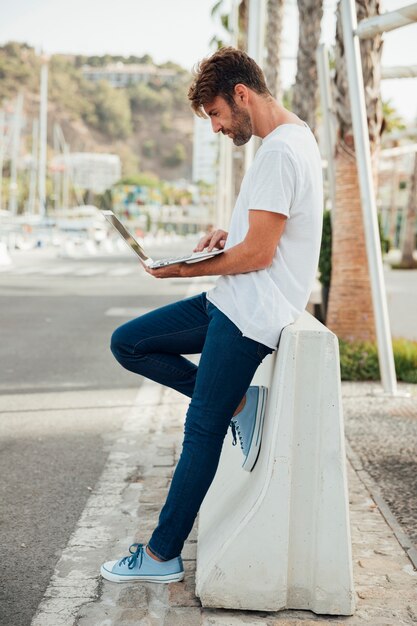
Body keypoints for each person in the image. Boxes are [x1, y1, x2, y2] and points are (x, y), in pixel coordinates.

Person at [100, 47, 323, 584]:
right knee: (129, 342)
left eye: (218, 114)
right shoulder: (292, 139)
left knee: (201, 427)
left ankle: (161, 556)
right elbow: (262, 237)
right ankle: (240, 400)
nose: (219, 127)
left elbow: (261, 255)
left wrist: (182, 269)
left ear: (241, 95)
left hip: (252, 311)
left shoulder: (278, 153)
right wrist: (227, 236)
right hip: (235, 299)